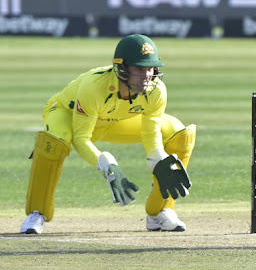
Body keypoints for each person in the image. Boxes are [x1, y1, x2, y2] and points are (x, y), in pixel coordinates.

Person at [20, 34, 195, 235]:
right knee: (55, 141)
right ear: (122, 68)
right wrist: (106, 163)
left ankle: (159, 212)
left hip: (115, 121)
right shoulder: (94, 88)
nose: (147, 75)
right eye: (139, 68)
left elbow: (151, 132)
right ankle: (36, 213)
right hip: (68, 115)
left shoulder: (156, 90)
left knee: (178, 133)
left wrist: (159, 158)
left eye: (151, 68)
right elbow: (81, 137)